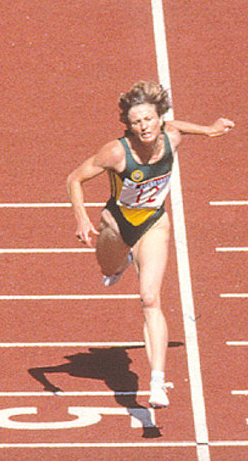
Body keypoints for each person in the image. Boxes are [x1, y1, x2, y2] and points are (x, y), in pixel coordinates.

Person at [66, 81, 234, 409]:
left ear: (160, 120)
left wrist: (210, 130)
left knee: (149, 297)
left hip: (154, 222)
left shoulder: (171, 136)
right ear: (128, 126)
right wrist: (82, 219)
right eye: (136, 122)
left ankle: (157, 383)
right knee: (108, 268)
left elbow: (177, 126)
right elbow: (74, 179)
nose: (144, 126)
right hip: (116, 224)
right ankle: (120, 261)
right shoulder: (115, 152)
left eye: (149, 119)